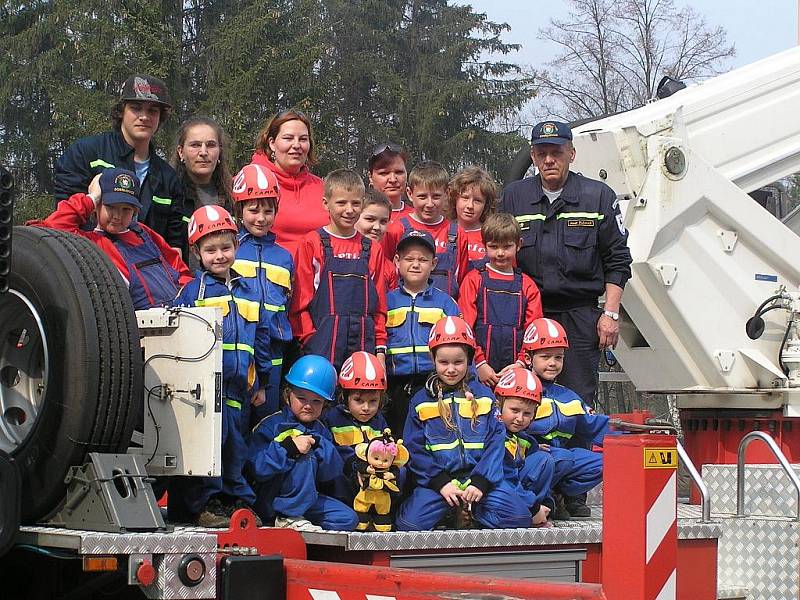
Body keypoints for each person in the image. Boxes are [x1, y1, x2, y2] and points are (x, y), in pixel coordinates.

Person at [500, 121, 632, 408]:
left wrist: (610, 314)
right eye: (542, 153)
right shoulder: (514, 196)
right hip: (528, 314)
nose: (549, 160)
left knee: (576, 402)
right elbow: (497, 252)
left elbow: (618, 260)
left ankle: (577, 454)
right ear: (533, 157)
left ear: (571, 154)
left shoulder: (597, 196)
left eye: (557, 152)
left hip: (580, 317)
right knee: (520, 399)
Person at [174, 205, 271, 527]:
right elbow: (179, 341)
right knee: (210, 444)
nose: (219, 256)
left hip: (240, 387)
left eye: (226, 247)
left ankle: (232, 502)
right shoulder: (193, 291)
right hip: (205, 387)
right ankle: (205, 504)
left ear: (236, 246)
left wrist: (262, 384)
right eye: (210, 249)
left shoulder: (249, 290)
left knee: (236, 445)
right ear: (196, 252)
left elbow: (262, 339)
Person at [395, 316, 531, 531]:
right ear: (432, 359)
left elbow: (496, 443)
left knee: (519, 518)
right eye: (443, 362)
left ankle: (473, 512)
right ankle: (451, 512)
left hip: (477, 482)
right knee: (408, 524)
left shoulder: (485, 397)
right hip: (442, 484)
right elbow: (415, 448)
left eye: (458, 362)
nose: (451, 369)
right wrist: (440, 483)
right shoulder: (420, 401)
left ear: (469, 359)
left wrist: (481, 483)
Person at [53, 74, 187, 252]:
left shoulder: (168, 178)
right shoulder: (85, 153)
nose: (144, 117)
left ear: (161, 117)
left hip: (145, 273)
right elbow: (65, 218)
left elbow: (174, 244)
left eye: (153, 111)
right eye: (136, 108)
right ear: (121, 111)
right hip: (90, 263)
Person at [37, 168, 191, 309]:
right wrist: (91, 198)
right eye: (111, 207)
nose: (117, 216)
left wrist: (189, 295)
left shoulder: (143, 232)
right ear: (98, 206)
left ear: (135, 210)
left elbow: (178, 268)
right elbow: (52, 228)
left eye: (126, 209)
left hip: (180, 316)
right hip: (137, 329)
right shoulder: (89, 242)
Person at [247, 355, 359, 532]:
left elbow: (330, 475)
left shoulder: (322, 430)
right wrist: (289, 448)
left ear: (325, 404)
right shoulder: (270, 425)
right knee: (304, 456)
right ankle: (287, 517)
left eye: (316, 401)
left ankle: (298, 521)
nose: (308, 406)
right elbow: (257, 469)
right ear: (287, 395)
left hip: (307, 500)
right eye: (301, 398)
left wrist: (320, 447)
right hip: (273, 499)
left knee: (348, 519)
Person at [290, 169, 387, 371]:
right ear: (326, 203)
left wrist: (380, 350)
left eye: (356, 203)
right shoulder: (312, 243)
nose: (349, 210)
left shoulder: (372, 249)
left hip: (363, 346)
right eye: (341, 203)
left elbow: (379, 308)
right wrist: (310, 340)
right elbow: (299, 303)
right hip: (321, 348)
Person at [520, 318, 609, 519]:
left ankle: (556, 495)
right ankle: (538, 502)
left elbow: (595, 426)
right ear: (528, 357)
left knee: (606, 462)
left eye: (558, 357)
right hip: (527, 460)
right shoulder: (517, 390)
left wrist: (631, 432)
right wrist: (531, 445)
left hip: (558, 458)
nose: (552, 363)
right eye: (545, 356)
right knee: (558, 458)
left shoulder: (568, 395)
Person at [230, 163, 294, 423]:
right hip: (240, 348)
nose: (261, 218)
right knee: (238, 420)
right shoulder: (231, 251)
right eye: (253, 210)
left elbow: (287, 304)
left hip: (275, 349)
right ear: (239, 210)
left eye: (268, 211)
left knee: (267, 420)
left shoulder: (284, 257)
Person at [384, 230, 460, 435]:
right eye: (409, 259)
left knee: (430, 435)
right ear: (397, 261)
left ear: (434, 264)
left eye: (423, 260)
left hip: (433, 384)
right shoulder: (387, 301)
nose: (415, 264)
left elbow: (460, 347)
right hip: (395, 386)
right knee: (396, 436)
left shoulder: (445, 303)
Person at [458, 214, 543, 387]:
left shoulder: (527, 285)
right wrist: (479, 363)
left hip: (516, 369)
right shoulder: (474, 279)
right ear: (484, 245)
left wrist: (521, 363)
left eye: (507, 246)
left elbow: (534, 330)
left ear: (518, 244)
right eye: (494, 246)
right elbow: (465, 327)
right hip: (478, 370)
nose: (500, 253)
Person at [382, 162, 468, 299]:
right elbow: (385, 275)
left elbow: (463, 282)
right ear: (410, 194)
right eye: (422, 197)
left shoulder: (458, 234)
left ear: (447, 194)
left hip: (444, 314)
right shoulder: (396, 230)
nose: (429, 204)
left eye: (436, 196)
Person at [251, 110, 328, 257]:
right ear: (272, 143)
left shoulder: (322, 188)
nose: (296, 145)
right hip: (269, 274)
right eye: (288, 138)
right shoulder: (252, 182)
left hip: (317, 274)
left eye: (303, 139)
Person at [323, 351, 391, 507]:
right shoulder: (332, 418)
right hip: (345, 481)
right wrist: (355, 465)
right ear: (345, 396)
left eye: (373, 401)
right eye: (358, 400)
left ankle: (382, 511)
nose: (366, 408)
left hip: (374, 477)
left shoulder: (380, 421)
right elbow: (331, 451)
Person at [494, 367, 554, 527]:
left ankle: (538, 512)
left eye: (527, 414)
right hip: (497, 491)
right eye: (514, 410)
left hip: (519, 492)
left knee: (544, 459)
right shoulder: (492, 436)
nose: (520, 419)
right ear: (499, 404)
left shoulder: (526, 441)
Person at [448, 166, 498, 272]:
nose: (470, 205)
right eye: (465, 198)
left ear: (486, 205)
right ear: (454, 198)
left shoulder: (492, 236)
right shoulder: (442, 231)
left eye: (477, 201)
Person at [356, 189, 397, 290]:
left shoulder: (388, 268)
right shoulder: (339, 255)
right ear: (354, 216)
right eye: (370, 219)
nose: (377, 227)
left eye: (383, 221)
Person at [367, 143, 413, 223]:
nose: (393, 180)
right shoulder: (356, 218)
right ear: (370, 177)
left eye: (399, 172)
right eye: (384, 173)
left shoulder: (420, 218)